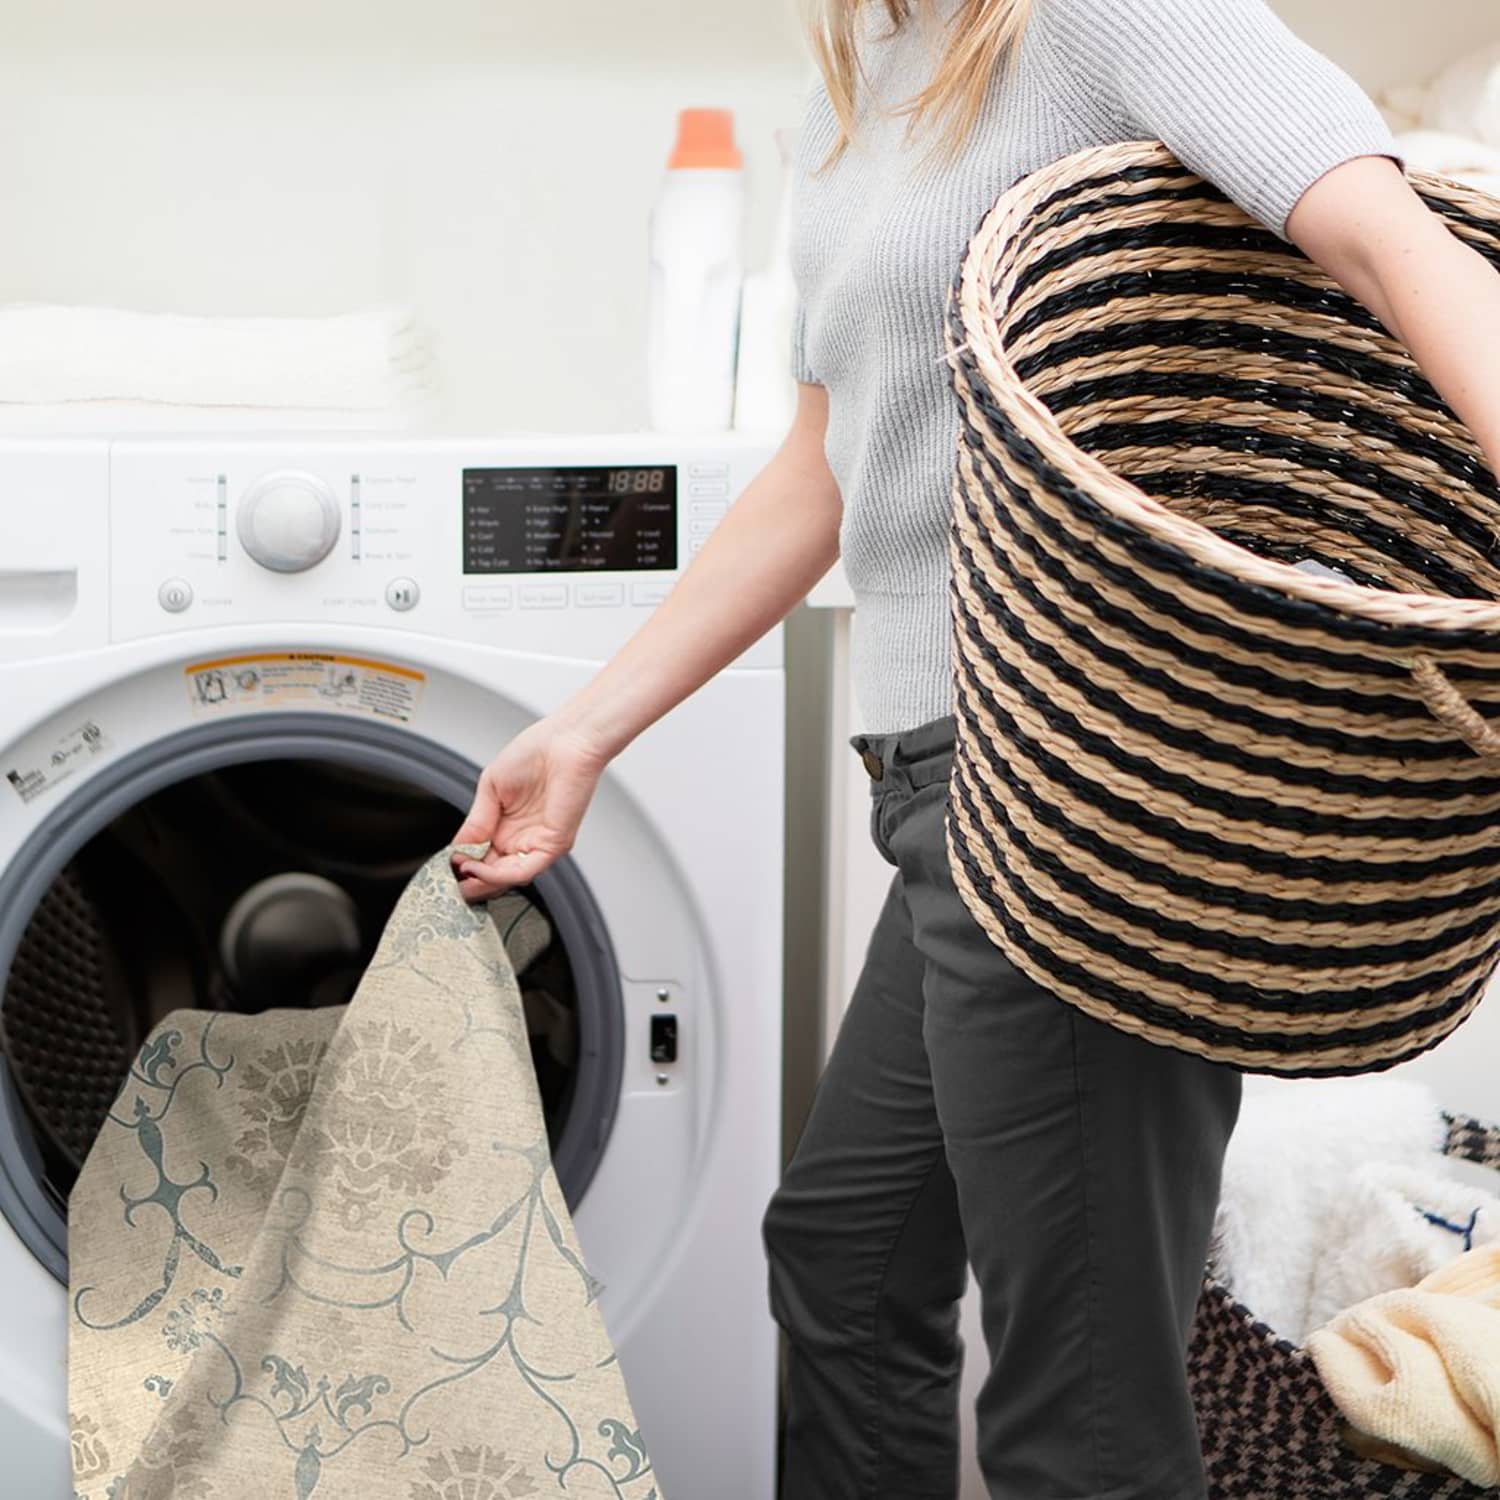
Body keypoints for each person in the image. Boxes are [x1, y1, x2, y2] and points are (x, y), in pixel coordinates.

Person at [450, 2, 1500, 1495]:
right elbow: (827, 465)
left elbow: (1393, 239)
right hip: (946, 791)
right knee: (848, 1265)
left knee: (1080, 1410)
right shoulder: (850, 91)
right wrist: (583, 734)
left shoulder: (1099, 11)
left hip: (1089, 777)